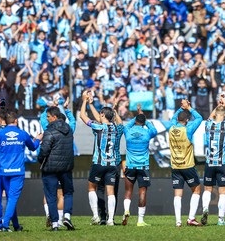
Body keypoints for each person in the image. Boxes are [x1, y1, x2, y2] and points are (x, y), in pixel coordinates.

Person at [0, 111, 41, 232]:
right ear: (16, 121)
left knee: (10, 199)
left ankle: (16, 225)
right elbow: (33, 147)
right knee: (13, 199)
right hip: (17, 172)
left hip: (4, 172)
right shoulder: (23, 134)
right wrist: (38, 140)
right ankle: (5, 224)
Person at [80, 90, 124, 226]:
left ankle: (95, 216)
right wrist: (114, 110)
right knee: (111, 192)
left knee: (92, 187)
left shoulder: (99, 127)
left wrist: (84, 102)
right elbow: (119, 122)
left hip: (98, 163)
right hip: (112, 165)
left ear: (103, 115)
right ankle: (110, 219)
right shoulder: (118, 129)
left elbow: (82, 116)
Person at [201, 98, 225, 226]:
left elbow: (210, 116)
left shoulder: (208, 125)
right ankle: (221, 220)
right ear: (223, 116)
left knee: (207, 189)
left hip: (209, 163)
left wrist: (218, 106)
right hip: (222, 163)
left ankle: (205, 208)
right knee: (223, 192)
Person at [38, 106, 76, 231]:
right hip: (66, 167)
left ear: (54, 117)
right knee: (68, 192)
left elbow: (44, 150)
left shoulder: (49, 131)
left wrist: (40, 160)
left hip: (50, 168)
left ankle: (55, 223)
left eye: (48, 116)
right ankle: (67, 216)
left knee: (51, 196)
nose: (47, 119)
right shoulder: (69, 129)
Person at [168, 99, 203, 227]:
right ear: (187, 120)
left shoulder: (171, 128)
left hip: (175, 166)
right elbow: (199, 118)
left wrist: (181, 108)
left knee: (178, 193)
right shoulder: (188, 129)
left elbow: (173, 118)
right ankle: (191, 218)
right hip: (187, 165)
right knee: (197, 189)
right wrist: (188, 107)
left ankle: (178, 221)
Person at [121, 104, 157, 227]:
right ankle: (140, 221)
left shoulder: (128, 131)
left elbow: (128, 125)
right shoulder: (147, 133)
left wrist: (138, 115)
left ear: (135, 120)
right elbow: (154, 130)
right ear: (143, 122)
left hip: (130, 166)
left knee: (128, 191)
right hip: (143, 167)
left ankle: (126, 210)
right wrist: (144, 118)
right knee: (142, 192)